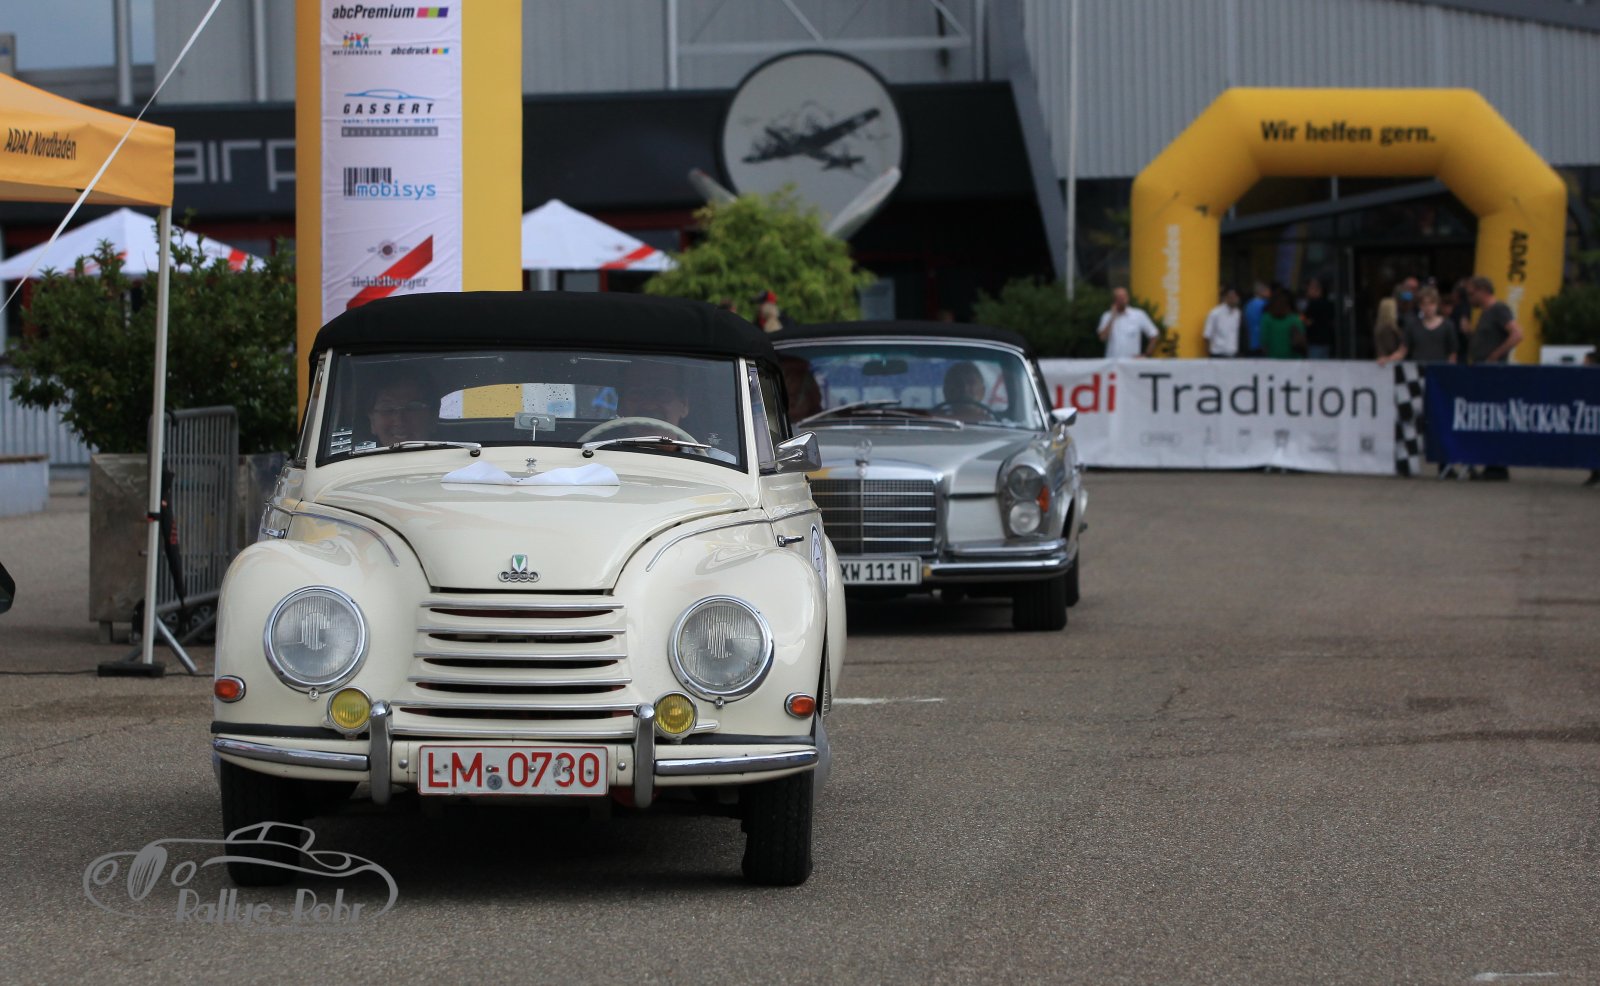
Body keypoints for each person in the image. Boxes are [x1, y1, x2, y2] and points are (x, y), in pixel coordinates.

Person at [1466, 275, 1524, 481]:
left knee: (1494, 418)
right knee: (1486, 419)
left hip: (1494, 374)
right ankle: (1491, 463)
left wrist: (1495, 356)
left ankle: (1497, 466)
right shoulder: (1485, 313)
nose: (1469, 298)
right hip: (1483, 372)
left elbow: (1517, 334)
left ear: (1483, 291)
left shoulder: (1499, 309)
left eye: (1471, 293)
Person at [1378, 285, 1459, 366]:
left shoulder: (1448, 325)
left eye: (1431, 303)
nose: (1428, 308)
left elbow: (1453, 354)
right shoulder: (1412, 325)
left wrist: (1450, 371)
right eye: (1424, 304)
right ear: (1420, 306)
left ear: (1437, 304)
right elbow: (1402, 351)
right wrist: (1387, 359)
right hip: (1418, 370)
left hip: (1439, 370)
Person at [367, 375, 438, 448]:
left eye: (412, 408)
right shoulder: (361, 455)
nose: (399, 421)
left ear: (433, 418)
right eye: (388, 409)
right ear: (372, 421)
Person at [1097, 286, 1160, 360]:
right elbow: (1102, 338)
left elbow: (1154, 334)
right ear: (1114, 300)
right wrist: (1112, 318)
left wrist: (1146, 355)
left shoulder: (1138, 315)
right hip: (1112, 362)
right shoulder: (1107, 316)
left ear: (1128, 298)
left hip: (1131, 363)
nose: (1122, 300)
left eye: (1124, 297)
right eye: (1119, 297)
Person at [1258, 289, 1306, 359]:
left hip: (1273, 358)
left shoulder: (1266, 318)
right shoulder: (1295, 319)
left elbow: (1264, 340)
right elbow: (1302, 338)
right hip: (1293, 359)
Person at [1301, 277, 1337, 359]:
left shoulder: (1313, 305)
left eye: (1310, 288)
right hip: (1327, 342)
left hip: (1316, 343)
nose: (1308, 291)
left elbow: (1307, 321)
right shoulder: (1329, 304)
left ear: (1318, 290)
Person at [1202, 286, 1242, 358]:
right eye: (1231, 297)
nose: (1233, 299)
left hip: (1233, 354)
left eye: (1235, 297)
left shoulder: (1237, 313)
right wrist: (1209, 355)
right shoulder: (1215, 313)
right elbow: (1207, 335)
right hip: (1217, 354)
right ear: (1225, 298)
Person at [1241, 281, 1270, 356]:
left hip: (1249, 342)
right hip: (1261, 342)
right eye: (1267, 290)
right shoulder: (1265, 305)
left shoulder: (1248, 305)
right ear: (1262, 292)